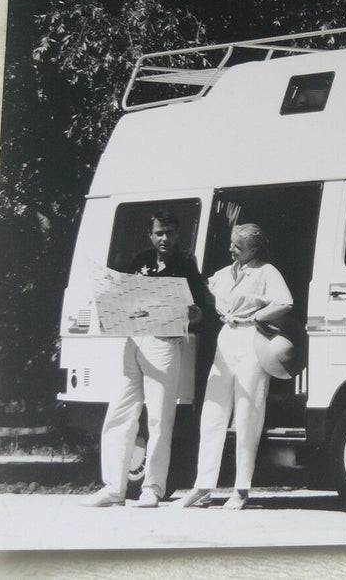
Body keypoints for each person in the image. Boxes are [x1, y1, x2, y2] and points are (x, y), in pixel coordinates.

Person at [80, 210, 204, 507]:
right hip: (134, 340)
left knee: (160, 417)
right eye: (159, 232)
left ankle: (153, 487)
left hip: (163, 342)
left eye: (170, 232)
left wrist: (186, 318)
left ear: (178, 234)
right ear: (151, 235)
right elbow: (125, 298)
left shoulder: (186, 263)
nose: (165, 238)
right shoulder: (141, 261)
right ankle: (114, 486)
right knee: (120, 413)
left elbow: (199, 310)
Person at [175, 223, 293, 510]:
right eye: (232, 244)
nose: (231, 249)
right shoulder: (225, 273)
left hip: (253, 340)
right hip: (226, 338)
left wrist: (256, 317)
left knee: (247, 414)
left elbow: (286, 303)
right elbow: (204, 288)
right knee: (212, 412)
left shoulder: (267, 271)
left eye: (238, 246)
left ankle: (242, 489)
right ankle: (202, 486)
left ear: (254, 248)